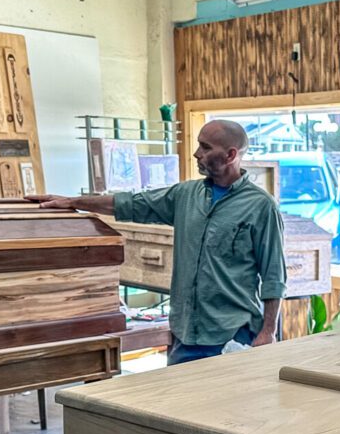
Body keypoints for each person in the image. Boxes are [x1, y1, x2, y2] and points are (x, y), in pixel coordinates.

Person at [27, 119, 285, 366]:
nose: (197, 153)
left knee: (227, 409)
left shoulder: (261, 206)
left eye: (206, 147)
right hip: (186, 336)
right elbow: (129, 204)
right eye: (198, 145)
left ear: (230, 155)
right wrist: (73, 202)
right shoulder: (186, 195)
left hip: (232, 335)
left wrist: (268, 332)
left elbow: (274, 276)